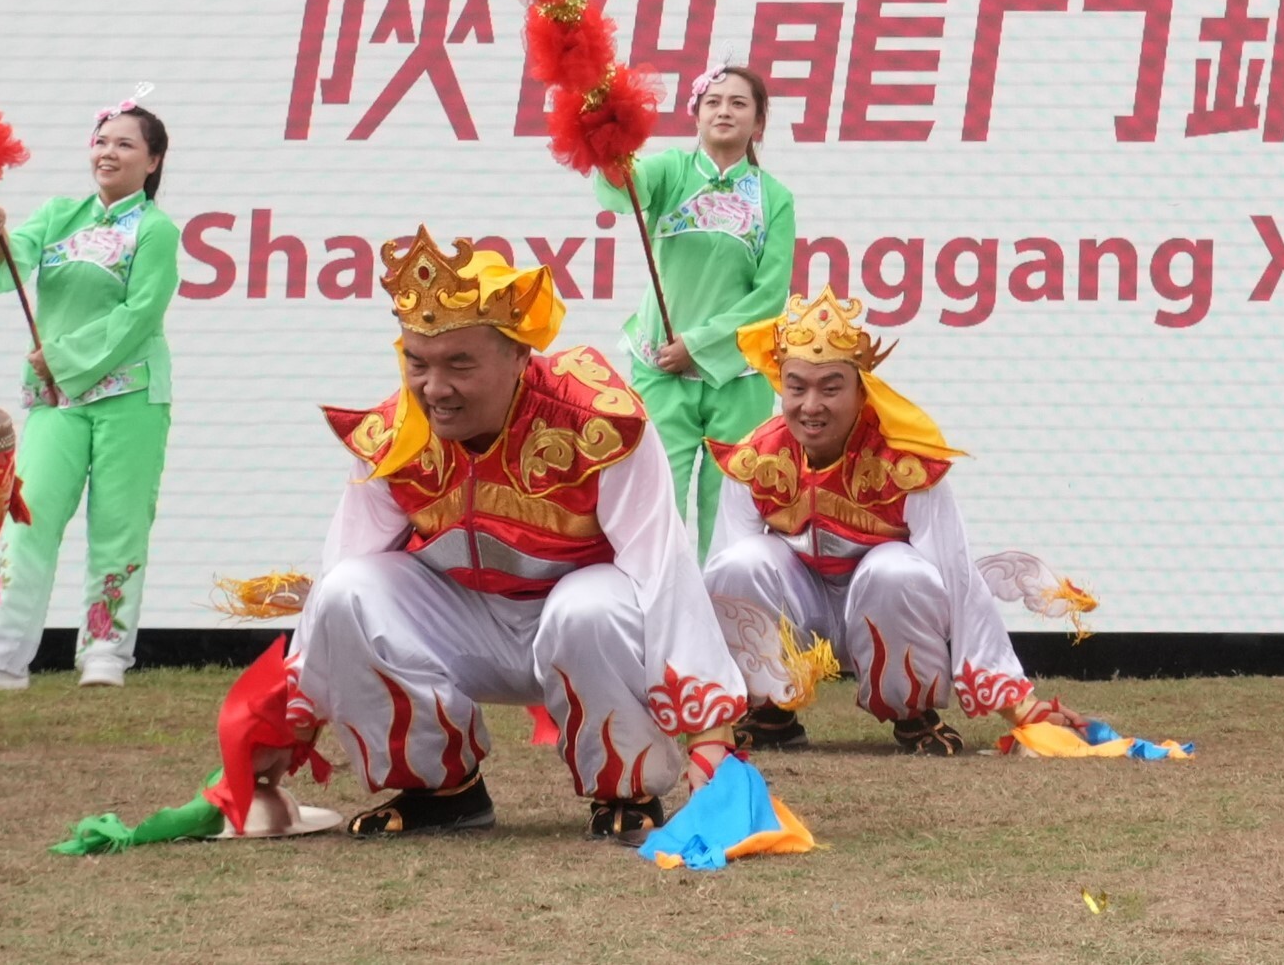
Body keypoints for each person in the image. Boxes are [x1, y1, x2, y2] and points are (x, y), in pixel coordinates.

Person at [284, 229, 746, 840]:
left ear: (520, 357)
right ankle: (444, 791)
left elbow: (661, 569)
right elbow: (343, 566)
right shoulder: (396, 435)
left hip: (584, 630)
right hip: (462, 627)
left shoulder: (598, 422)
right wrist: (287, 716)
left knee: (589, 607)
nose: (433, 388)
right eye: (417, 363)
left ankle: (625, 791)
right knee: (347, 588)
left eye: (459, 364)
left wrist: (708, 732)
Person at [704, 288, 1080, 754]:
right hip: (803, 609)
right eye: (797, 387)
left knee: (897, 570)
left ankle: (912, 713)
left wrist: (1019, 706)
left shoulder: (905, 462)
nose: (811, 405)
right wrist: (711, 709)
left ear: (862, 390)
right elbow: (723, 588)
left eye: (831, 388)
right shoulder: (756, 459)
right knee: (737, 563)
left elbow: (955, 579)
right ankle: (767, 712)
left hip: (885, 607)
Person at [0, 102, 180, 691]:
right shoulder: (57, 215)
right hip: (57, 399)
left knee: (119, 522)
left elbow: (140, 313)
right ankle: (5, 652)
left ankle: (105, 650)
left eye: (126, 145)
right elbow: (10, 270)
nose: (109, 152)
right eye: (102, 141)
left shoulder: (155, 230)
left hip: (132, 393)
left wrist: (62, 355)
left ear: (152, 161)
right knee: (27, 517)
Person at [603, 65, 795, 554]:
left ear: (758, 123)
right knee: (656, 503)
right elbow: (624, 190)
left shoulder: (775, 198)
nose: (724, 111)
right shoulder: (670, 171)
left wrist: (700, 343)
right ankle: (660, 617)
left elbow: (769, 297)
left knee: (731, 507)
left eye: (738, 103)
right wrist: (605, 144)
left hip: (737, 376)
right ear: (696, 115)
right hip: (661, 367)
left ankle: (727, 620)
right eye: (713, 102)